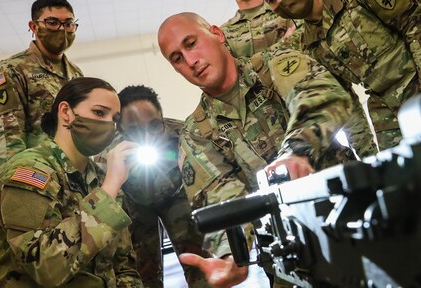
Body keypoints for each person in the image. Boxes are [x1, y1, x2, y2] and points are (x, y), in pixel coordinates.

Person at [158, 12, 354, 287]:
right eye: (177, 58)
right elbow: (222, 198)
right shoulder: (196, 134)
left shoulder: (277, 64)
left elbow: (322, 98)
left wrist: (297, 151)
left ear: (217, 33)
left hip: (353, 220)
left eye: (191, 43)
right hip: (293, 260)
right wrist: (231, 256)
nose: (191, 61)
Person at [0, 77, 143, 287]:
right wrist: (108, 191)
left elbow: (123, 266)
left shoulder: (99, 178)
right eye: (99, 113)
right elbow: (46, 267)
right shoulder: (29, 171)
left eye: (114, 118)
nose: (110, 125)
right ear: (65, 112)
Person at [95, 85, 210, 288]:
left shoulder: (183, 135)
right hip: (134, 204)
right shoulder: (108, 154)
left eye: (154, 126)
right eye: (135, 132)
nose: (148, 138)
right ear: (120, 129)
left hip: (177, 195)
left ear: (162, 116)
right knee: (143, 271)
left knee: (197, 258)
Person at [266, 0, 420, 150]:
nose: (279, 3)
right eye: (271, 0)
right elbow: (346, 100)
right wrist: (366, 152)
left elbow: (414, 23)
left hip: (415, 79)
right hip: (383, 103)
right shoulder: (309, 45)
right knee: (399, 167)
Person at [0, 0, 83, 170]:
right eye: (52, 22)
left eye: (68, 24)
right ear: (34, 27)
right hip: (39, 175)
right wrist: (18, 184)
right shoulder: (12, 69)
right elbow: (7, 138)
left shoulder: (76, 73)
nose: (62, 29)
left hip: (75, 174)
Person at [221, 0, 300, 58]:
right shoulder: (223, 33)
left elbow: (302, 41)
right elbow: (234, 70)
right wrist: (283, 44)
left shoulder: (286, 9)